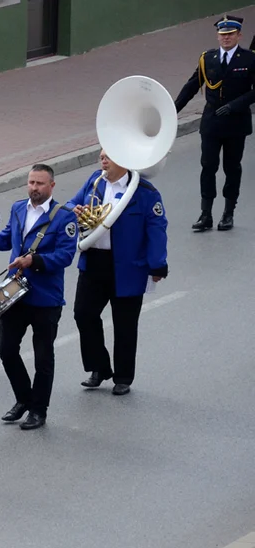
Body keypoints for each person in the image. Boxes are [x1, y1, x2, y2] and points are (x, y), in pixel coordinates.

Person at [0, 164, 78, 430]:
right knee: (6, 349)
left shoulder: (64, 217)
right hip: (15, 295)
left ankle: (39, 410)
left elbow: (65, 256)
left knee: (43, 357)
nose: (34, 188)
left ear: (52, 186)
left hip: (46, 299)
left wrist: (35, 260)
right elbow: (9, 235)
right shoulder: (19, 208)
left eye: (40, 184)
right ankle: (24, 399)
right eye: (31, 182)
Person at [69, 151, 168, 396]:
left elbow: (156, 229)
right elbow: (71, 203)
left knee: (125, 324)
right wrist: (75, 210)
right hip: (94, 262)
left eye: (108, 157)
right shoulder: (95, 181)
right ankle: (99, 367)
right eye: (101, 156)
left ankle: (123, 376)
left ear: (123, 161)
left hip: (128, 267)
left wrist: (157, 264)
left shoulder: (145, 192)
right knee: (83, 314)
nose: (102, 161)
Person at [174, 14, 255, 232]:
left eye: (230, 34)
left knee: (232, 168)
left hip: (236, 123)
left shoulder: (249, 59)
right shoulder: (207, 58)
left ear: (239, 35)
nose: (226, 38)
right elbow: (192, 86)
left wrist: (234, 105)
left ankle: (228, 213)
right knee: (208, 167)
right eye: (222, 34)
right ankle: (206, 214)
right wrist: (172, 110)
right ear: (217, 36)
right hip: (211, 123)